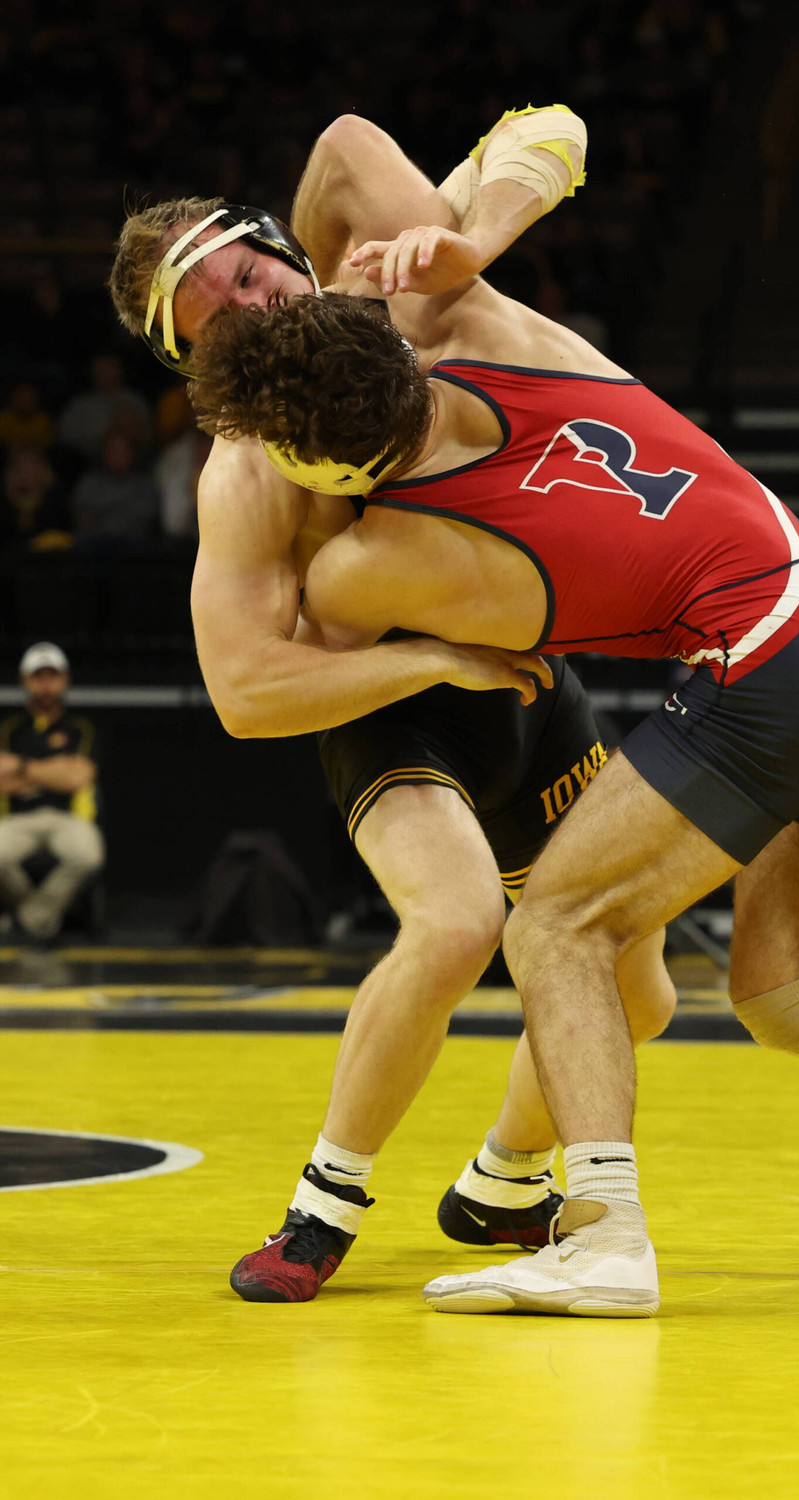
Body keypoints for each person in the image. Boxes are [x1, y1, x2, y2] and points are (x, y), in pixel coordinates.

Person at [187, 237, 799, 1316]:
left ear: (329, 469)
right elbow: (375, 150)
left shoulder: (374, 561)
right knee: (792, 994)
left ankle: (604, 1236)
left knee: (553, 929)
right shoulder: (507, 343)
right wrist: (466, 226)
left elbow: (277, 671)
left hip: (774, 659)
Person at [109, 106, 676, 1304]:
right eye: (225, 323)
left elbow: (468, 135)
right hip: (399, 697)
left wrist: (463, 239)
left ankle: (507, 1182)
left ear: (282, 240)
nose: (261, 311)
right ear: (201, 369)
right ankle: (324, 1206)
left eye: (255, 276)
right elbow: (247, 692)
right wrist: (429, 667)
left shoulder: (385, 290)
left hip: (519, 674)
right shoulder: (247, 471)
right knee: (460, 918)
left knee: (640, 985)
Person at [0, 643, 104, 943]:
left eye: (52, 676)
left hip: (68, 817)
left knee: (87, 855)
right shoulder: (8, 729)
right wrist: (56, 770)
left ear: (65, 679)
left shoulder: (81, 728)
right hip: (18, 819)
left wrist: (20, 767)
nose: (45, 684)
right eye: (38, 676)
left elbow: (80, 777)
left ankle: (26, 920)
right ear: (24, 681)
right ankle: (40, 921)